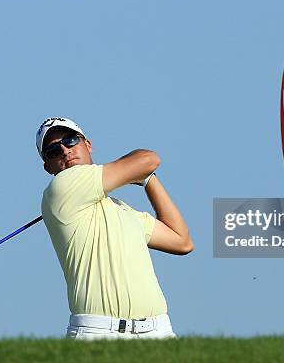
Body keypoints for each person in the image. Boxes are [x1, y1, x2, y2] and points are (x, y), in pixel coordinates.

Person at [36, 117, 194, 340]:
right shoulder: (61, 186)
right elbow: (149, 158)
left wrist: (148, 179)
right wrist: (138, 172)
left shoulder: (122, 210)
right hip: (99, 334)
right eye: (53, 150)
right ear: (47, 167)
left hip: (158, 333)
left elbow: (181, 241)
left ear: (87, 144)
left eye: (70, 140)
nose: (64, 150)